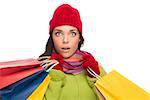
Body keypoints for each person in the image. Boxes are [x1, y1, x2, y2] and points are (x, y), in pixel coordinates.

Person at [38, 4, 107, 100]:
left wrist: (94, 80)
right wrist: (55, 78)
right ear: (52, 37)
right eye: (58, 33)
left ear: (79, 37)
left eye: (72, 33)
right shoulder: (40, 71)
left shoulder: (95, 69)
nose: (65, 40)